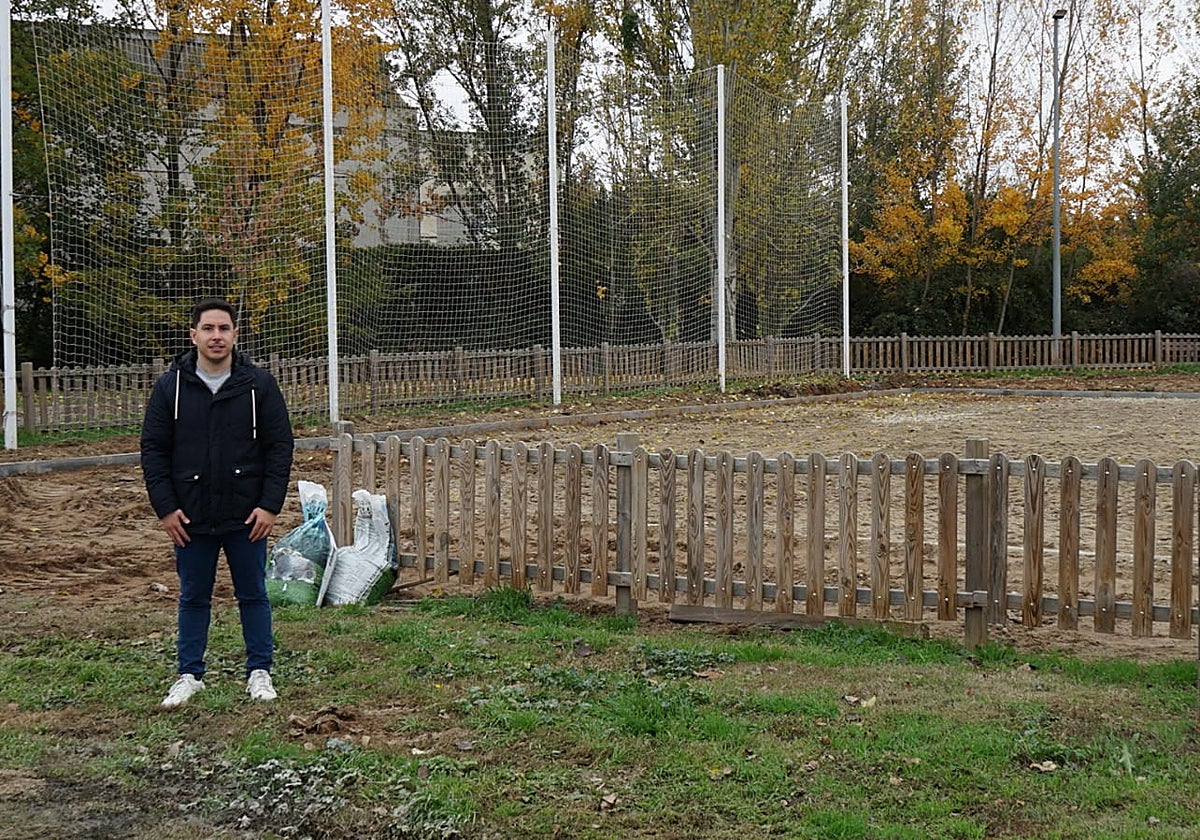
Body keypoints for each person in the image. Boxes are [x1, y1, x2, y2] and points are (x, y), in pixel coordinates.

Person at [141, 297, 294, 708]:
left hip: (247, 514)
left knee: (253, 594)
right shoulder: (170, 387)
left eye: (224, 329)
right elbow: (153, 450)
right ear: (193, 335)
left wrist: (270, 505)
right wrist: (166, 508)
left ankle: (259, 671)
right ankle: (189, 675)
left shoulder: (259, 385)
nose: (216, 337)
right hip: (190, 515)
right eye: (208, 329)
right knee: (193, 596)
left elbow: (280, 447)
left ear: (235, 334)